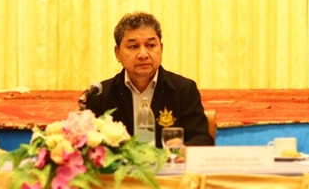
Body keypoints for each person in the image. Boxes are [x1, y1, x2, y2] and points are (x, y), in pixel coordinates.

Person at [85, 12, 214, 147]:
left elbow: (203, 139)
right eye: (133, 46)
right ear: (118, 53)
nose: (143, 54)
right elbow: (86, 144)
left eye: (151, 45)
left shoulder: (184, 90)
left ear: (161, 49)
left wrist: (184, 149)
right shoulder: (99, 94)